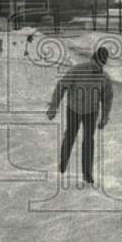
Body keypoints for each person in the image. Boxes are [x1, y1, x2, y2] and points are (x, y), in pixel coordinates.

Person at [45, 46, 113, 185]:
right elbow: (61, 87)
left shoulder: (104, 77)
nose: (97, 67)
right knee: (70, 136)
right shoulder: (77, 70)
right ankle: (63, 163)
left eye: (100, 65)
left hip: (91, 112)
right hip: (74, 109)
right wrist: (53, 107)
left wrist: (105, 117)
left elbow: (107, 98)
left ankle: (87, 173)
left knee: (88, 141)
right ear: (92, 59)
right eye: (96, 64)